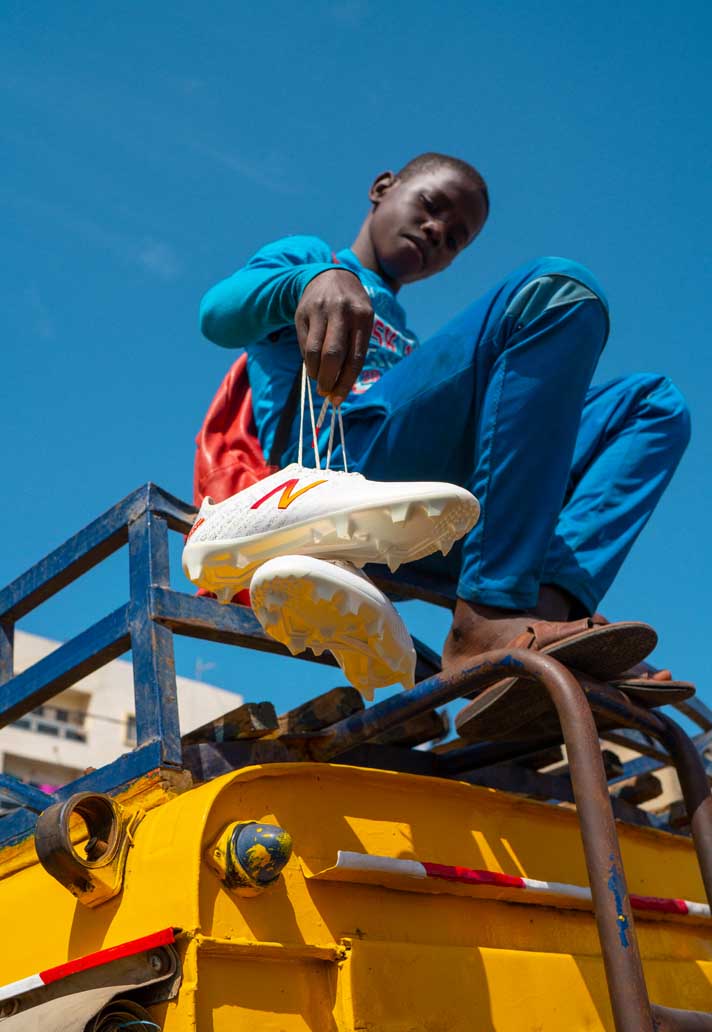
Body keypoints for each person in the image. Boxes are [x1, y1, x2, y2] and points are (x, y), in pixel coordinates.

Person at [198, 152, 691, 683]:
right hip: (337, 475)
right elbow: (217, 315)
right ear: (382, 188)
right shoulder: (312, 260)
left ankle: (542, 615)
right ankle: (488, 617)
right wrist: (312, 280)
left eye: (455, 239)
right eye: (431, 206)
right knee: (557, 290)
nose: (437, 232)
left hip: (432, 518)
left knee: (653, 405)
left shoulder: (408, 345)